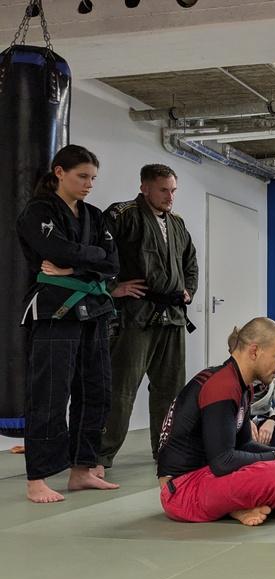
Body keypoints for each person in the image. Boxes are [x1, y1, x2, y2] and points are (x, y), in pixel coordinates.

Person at [16, 145, 121, 503]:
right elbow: (56, 252)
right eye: (82, 176)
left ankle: (82, 470)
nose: (89, 184)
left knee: (97, 390)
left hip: (94, 310)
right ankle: (37, 478)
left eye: (93, 178)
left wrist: (77, 266)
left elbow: (113, 264)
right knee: (50, 392)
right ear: (59, 172)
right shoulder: (38, 211)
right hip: (54, 310)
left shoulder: (94, 215)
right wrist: (92, 258)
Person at [157, 318, 275, 525]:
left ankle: (241, 505)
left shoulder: (241, 384)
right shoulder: (222, 386)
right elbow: (222, 462)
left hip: (209, 476)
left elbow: (244, 444)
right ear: (254, 351)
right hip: (183, 492)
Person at [97, 164, 199, 472]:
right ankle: (100, 456)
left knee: (171, 389)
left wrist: (189, 291)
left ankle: (166, 451)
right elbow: (98, 255)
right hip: (136, 315)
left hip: (173, 316)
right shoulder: (122, 215)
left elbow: (190, 262)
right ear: (145, 188)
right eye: (163, 190)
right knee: (122, 388)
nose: (170, 197)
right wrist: (113, 287)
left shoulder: (178, 223)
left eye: (173, 190)